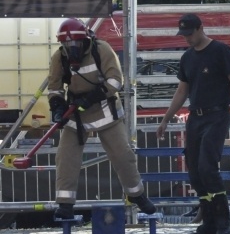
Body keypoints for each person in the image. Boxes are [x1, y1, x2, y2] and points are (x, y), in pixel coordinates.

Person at [47, 19, 156, 220]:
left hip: (105, 110)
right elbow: (54, 88)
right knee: (66, 158)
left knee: (123, 155)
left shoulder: (102, 49)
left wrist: (92, 97)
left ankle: (137, 195)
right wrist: (57, 108)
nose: (72, 49)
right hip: (75, 113)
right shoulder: (59, 57)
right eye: (67, 45)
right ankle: (65, 204)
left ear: (85, 40)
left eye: (76, 45)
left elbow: (116, 80)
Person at [156, 13, 230, 234]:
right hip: (195, 117)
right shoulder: (187, 58)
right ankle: (208, 222)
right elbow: (182, 90)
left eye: (189, 34)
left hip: (217, 115)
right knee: (195, 173)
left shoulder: (220, 51)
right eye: (183, 34)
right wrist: (166, 118)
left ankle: (223, 221)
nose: (186, 38)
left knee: (207, 166)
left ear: (200, 29)